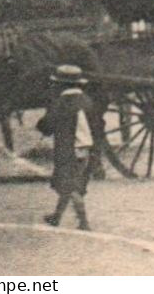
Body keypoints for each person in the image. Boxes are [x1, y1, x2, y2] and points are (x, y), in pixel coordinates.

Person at [38, 64, 98, 230]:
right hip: (87, 149)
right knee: (71, 182)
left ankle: (84, 222)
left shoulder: (61, 103)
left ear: (61, 84)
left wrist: (43, 126)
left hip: (69, 150)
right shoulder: (87, 101)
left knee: (69, 186)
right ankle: (56, 216)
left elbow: (46, 125)